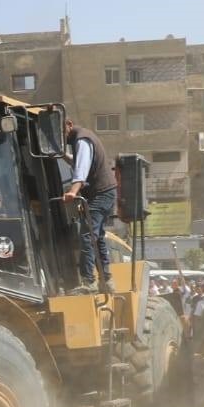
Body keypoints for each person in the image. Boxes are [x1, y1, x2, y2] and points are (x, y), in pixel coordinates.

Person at [61, 118, 117, 292]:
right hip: (105, 192)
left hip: (100, 193)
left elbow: (82, 169)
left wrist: (73, 191)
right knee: (96, 236)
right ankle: (106, 280)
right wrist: (63, 155)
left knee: (87, 235)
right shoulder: (83, 138)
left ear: (69, 124)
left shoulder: (82, 139)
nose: (59, 135)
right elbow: (79, 162)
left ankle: (89, 282)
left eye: (60, 130)